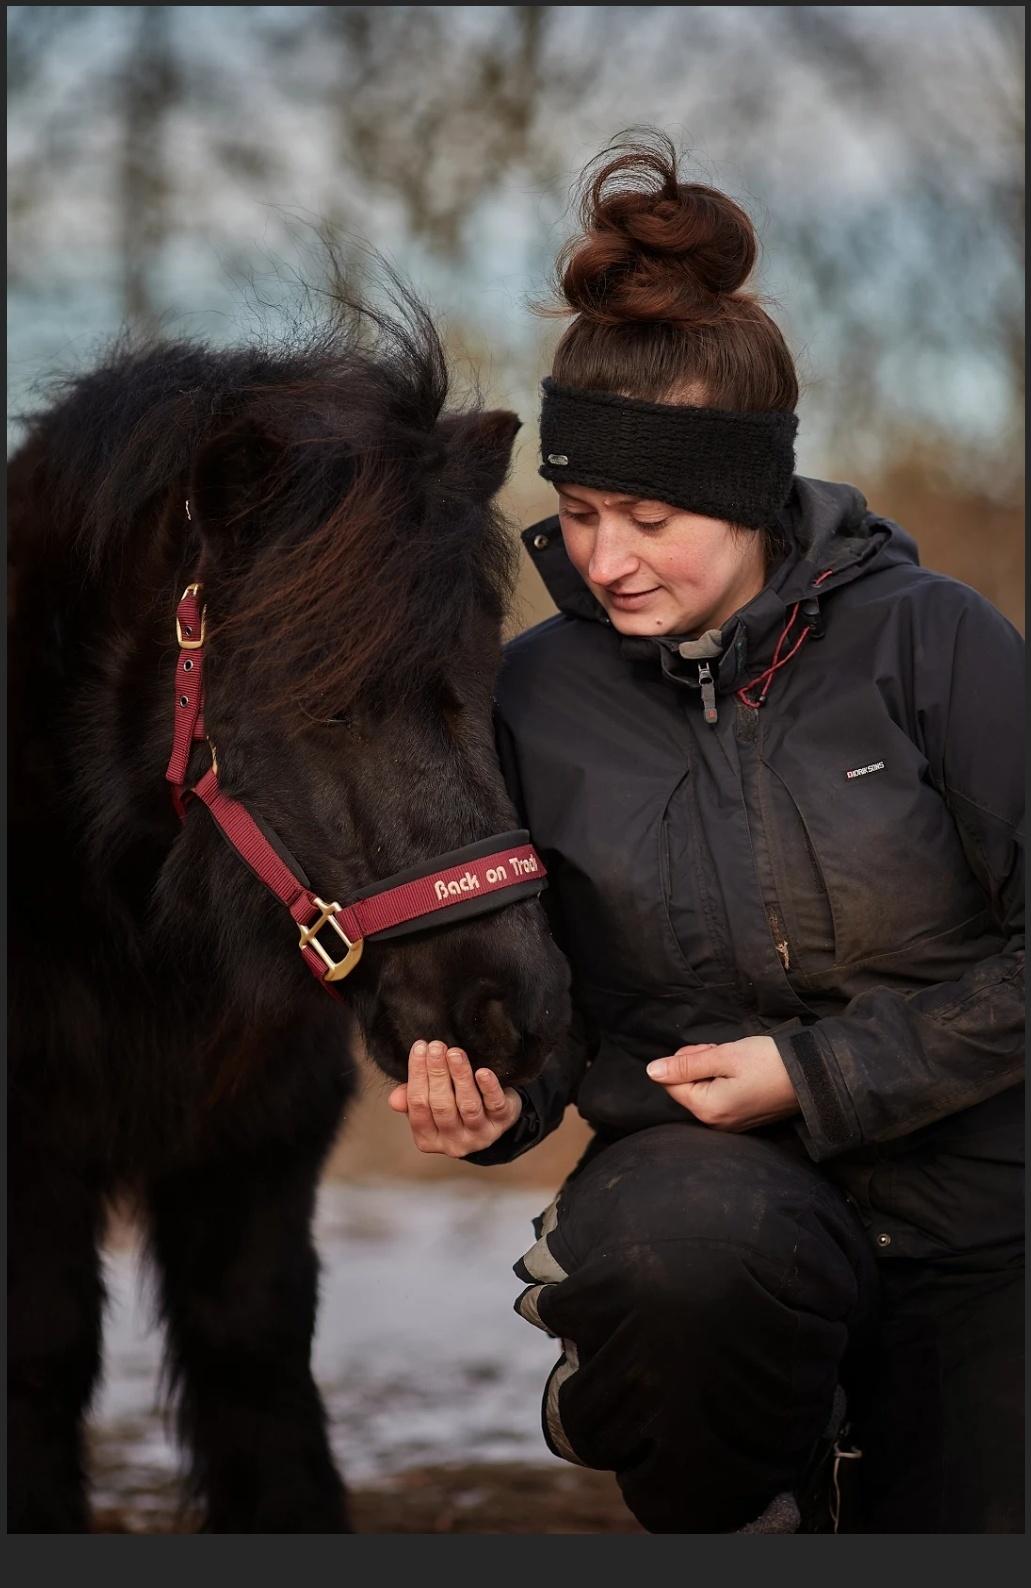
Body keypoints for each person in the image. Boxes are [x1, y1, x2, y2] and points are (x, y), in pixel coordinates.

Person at [386, 134, 1024, 1534]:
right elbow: (548, 1007)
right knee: (680, 1258)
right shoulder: (536, 697)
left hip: (988, 1206)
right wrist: (498, 1100)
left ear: (749, 493)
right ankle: (694, 1444)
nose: (605, 559)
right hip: (706, 1192)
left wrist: (815, 1071)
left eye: (652, 517)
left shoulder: (938, 646)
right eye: (580, 512)